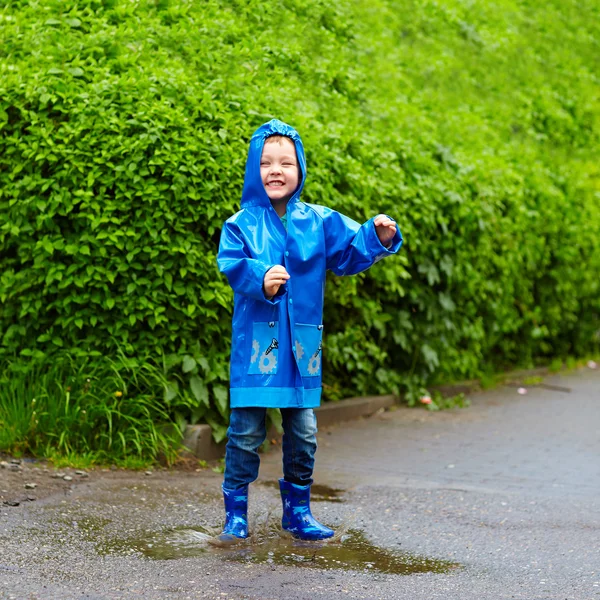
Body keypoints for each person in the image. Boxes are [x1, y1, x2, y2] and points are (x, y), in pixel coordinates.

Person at [216, 119, 402, 543]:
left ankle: (298, 511)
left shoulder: (318, 221)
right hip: (256, 351)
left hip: (302, 350)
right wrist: (260, 277)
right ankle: (235, 514)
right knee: (245, 432)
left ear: (300, 169)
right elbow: (231, 264)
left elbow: (350, 252)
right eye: (265, 162)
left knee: (303, 431)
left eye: (285, 162)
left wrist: (377, 234)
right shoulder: (240, 224)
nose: (275, 170)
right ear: (253, 168)